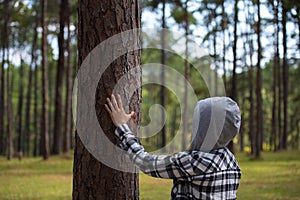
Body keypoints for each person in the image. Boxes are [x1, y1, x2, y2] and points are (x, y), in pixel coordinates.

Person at [105, 94, 242, 200]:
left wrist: (122, 127)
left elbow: (146, 163)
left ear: (208, 128)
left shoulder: (195, 162)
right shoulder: (231, 162)